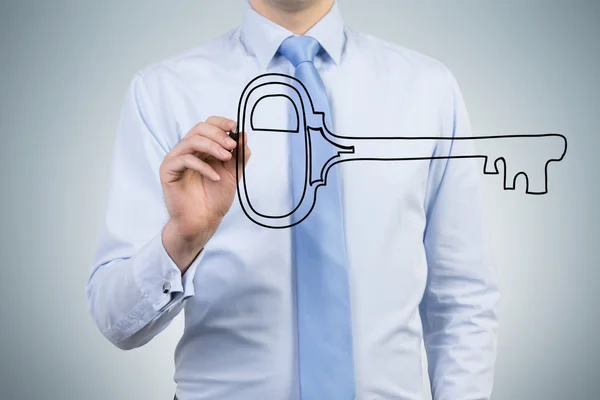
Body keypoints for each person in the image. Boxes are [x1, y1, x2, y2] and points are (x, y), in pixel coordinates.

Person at [86, 0, 500, 399]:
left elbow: (461, 297)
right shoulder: (163, 92)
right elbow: (117, 322)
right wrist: (183, 240)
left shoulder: (428, 88)